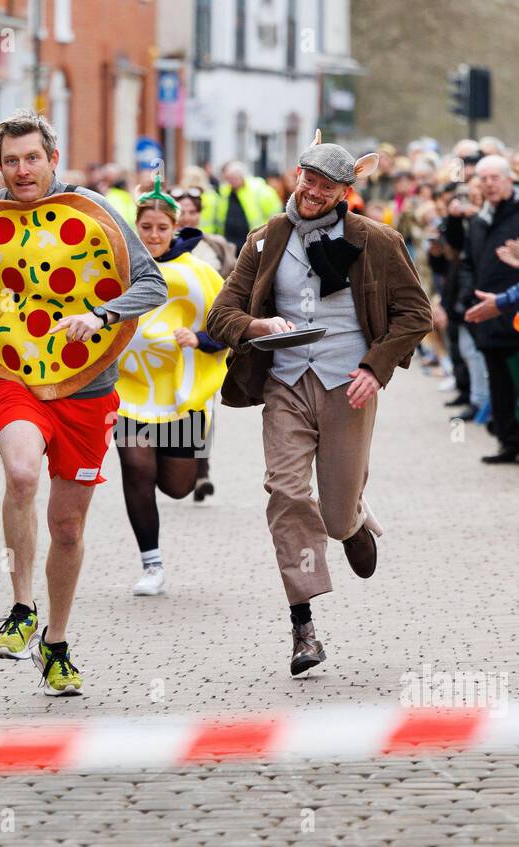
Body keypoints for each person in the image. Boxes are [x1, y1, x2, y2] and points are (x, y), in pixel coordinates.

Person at [0, 108, 167, 695]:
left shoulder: (95, 213)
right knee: (22, 473)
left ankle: (55, 643)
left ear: (53, 159)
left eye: (32, 158)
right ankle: (20, 607)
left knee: (68, 527)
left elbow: (150, 283)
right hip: (13, 373)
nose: (21, 171)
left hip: (87, 388)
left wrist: (100, 314)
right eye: (10, 161)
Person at [205, 136, 432, 676]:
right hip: (284, 383)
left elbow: (416, 314)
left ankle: (351, 518)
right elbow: (221, 315)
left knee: (331, 514)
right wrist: (256, 325)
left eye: (325, 185)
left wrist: (375, 369)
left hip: (346, 383)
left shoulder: (376, 241)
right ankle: (302, 625)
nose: (312, 191)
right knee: (285, 492)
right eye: (307, 179)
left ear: (344, 193)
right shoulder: (265, 241)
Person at [115, 176, 228, 596]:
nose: (155, 235)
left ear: (175, 228)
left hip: (180, 396)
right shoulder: (119, 270)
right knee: (136, 469)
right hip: (129, 392)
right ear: (136, 227)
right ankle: (152, 563)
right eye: (146, 227)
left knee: (178, 487)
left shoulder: (198, 274)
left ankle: (199, 453)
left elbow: (227, 324)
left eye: (163, 228)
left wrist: (200, 339)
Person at [458, 155, 519, 464]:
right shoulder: (479, 220)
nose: (489, 184)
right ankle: (508, 441)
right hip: (485, 312)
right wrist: (469, 296)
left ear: (510, 180)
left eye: (495, 178)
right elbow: (468, 262)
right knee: (497, 379)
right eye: (483, 179)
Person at [211, 160, 283, 253]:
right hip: (229, 241)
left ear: (242, 176)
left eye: (233, 178)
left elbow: (275, 214)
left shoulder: (259, 190)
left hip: (252, 240)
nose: (230, 182)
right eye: (228, 179)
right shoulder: (225, 191)